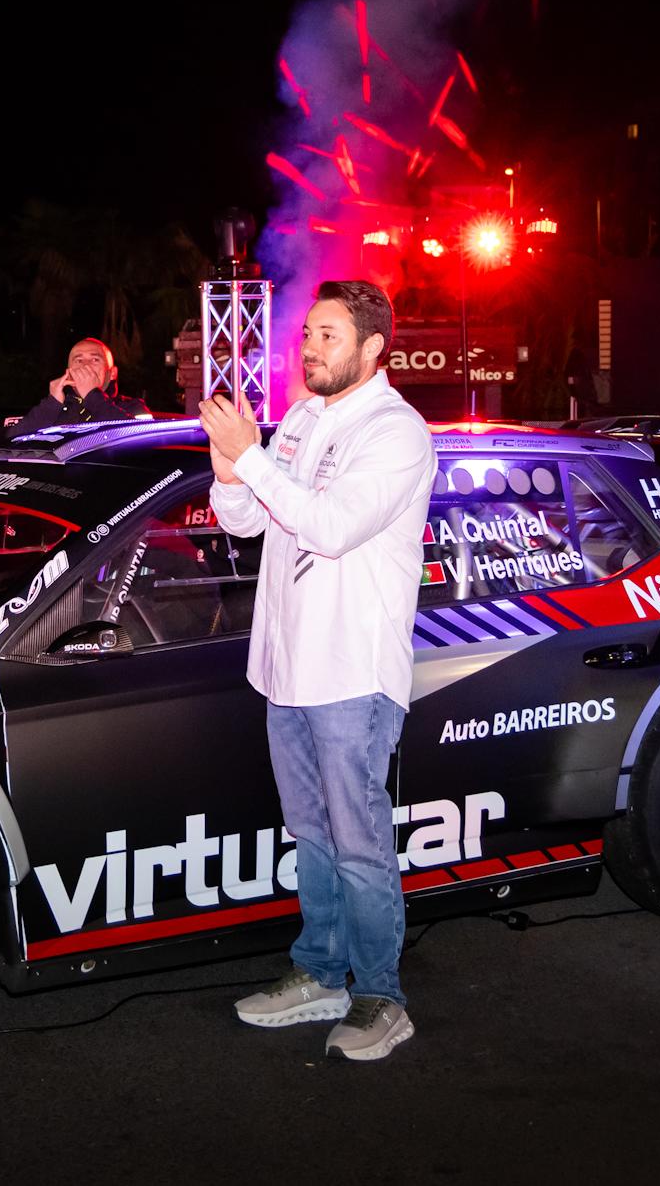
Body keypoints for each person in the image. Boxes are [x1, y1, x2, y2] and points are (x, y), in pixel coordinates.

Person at [200, 279, 434, 1063]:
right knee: (312, 836)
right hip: (286, 669)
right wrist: (229, 472)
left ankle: (380, 996)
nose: (310, 347)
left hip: (351, 674)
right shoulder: (301, 418)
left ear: (373, 348)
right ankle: (322, 972)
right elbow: (247, 525)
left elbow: (330, 528)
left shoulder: (396, 432)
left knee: (359, 843)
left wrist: (255, 462)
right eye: (308, 333)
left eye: (329, 335)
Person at [16, 337, 150, 431]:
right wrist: (52, 403)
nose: (85, 365)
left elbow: (144, 442)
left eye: (95, 359)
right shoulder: (55, 409)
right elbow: (12, 441)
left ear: (112, 373)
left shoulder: (132, 407)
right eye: (79, 360)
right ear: (68, 372)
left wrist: (92, 396)